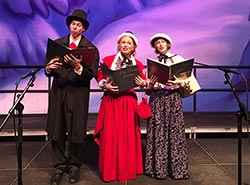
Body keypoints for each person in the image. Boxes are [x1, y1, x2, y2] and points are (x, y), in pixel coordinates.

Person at [44, 9, 99, 185]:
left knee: (76, 131)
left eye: (79, 25)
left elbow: (91, 74)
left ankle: (75, 166)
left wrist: (78, 68)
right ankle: (59, 167)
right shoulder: (58, 44)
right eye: (73, 24)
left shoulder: (90, 48)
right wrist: (48, 69)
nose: (75, 27)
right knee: (57, 130)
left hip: (78, 94)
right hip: (59, 91)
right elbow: (49, 67)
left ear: (83, 29)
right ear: (69, 25)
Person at [139, 33, 200, 180]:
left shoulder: (178, 59)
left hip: (173, 99)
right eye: (157, 43)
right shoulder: (153, 63)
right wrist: (150, 84)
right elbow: (148, 87)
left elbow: (188, 80)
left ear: (168, 44)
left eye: (163, 42)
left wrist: (178, 83)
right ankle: (157, 169)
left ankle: (177, 170)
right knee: (157, 132)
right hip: (157, 99)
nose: (160, 45)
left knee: (175, 132)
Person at [93, 31, 146, 183]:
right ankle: (110, 171)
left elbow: (143, 81)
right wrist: (106, 85)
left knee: (127, 135)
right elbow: (100, 77)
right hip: (111, 102)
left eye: (129, 43)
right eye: (123, 42)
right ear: (119, 44)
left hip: (128, 103)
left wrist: (144, 83)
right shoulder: (108, 60)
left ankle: (127, 169)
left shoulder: (138, 65)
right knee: (110, 134)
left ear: (133, 47)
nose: (125, 45)